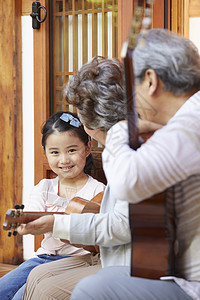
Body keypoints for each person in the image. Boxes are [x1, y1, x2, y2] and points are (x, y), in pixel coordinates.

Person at [69, 29, 200, 300]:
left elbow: (128, 182)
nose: (131, 102)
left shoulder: (190, 122)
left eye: (132, 87)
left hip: (192, 284)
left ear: (150, 81)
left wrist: (119, 129)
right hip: (179, 273)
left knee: (91, 289)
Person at [17, 58, 132, 300]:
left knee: (46, 289)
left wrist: (54, 223)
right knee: (37, 276)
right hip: (110, 251)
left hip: (128, 258)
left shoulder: (128, 155)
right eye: (54, 152)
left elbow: (122, 226)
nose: (64, 159)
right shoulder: (120, 147)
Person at [0, 111, 105, 300]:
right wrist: (24, 226)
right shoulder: (44, 187)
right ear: (45, 153)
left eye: (72, 150)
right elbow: (31, 219)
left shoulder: (98, 191)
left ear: (88, 148)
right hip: (43, 258)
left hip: (77, 261)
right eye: (55, 152)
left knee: (20, 297)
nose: (64, 160)